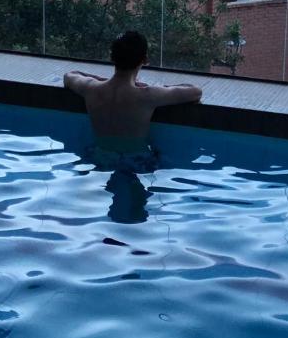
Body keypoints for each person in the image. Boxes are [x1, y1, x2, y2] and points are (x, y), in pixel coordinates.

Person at [63, 31, 202, 223]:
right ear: (144, 60)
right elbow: (195, 92)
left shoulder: (91, 89)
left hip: (100, 157)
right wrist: (161, 87)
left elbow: (69, 76)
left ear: (112, 58)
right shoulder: (147, 96)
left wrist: (99, 79)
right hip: (137, 162)